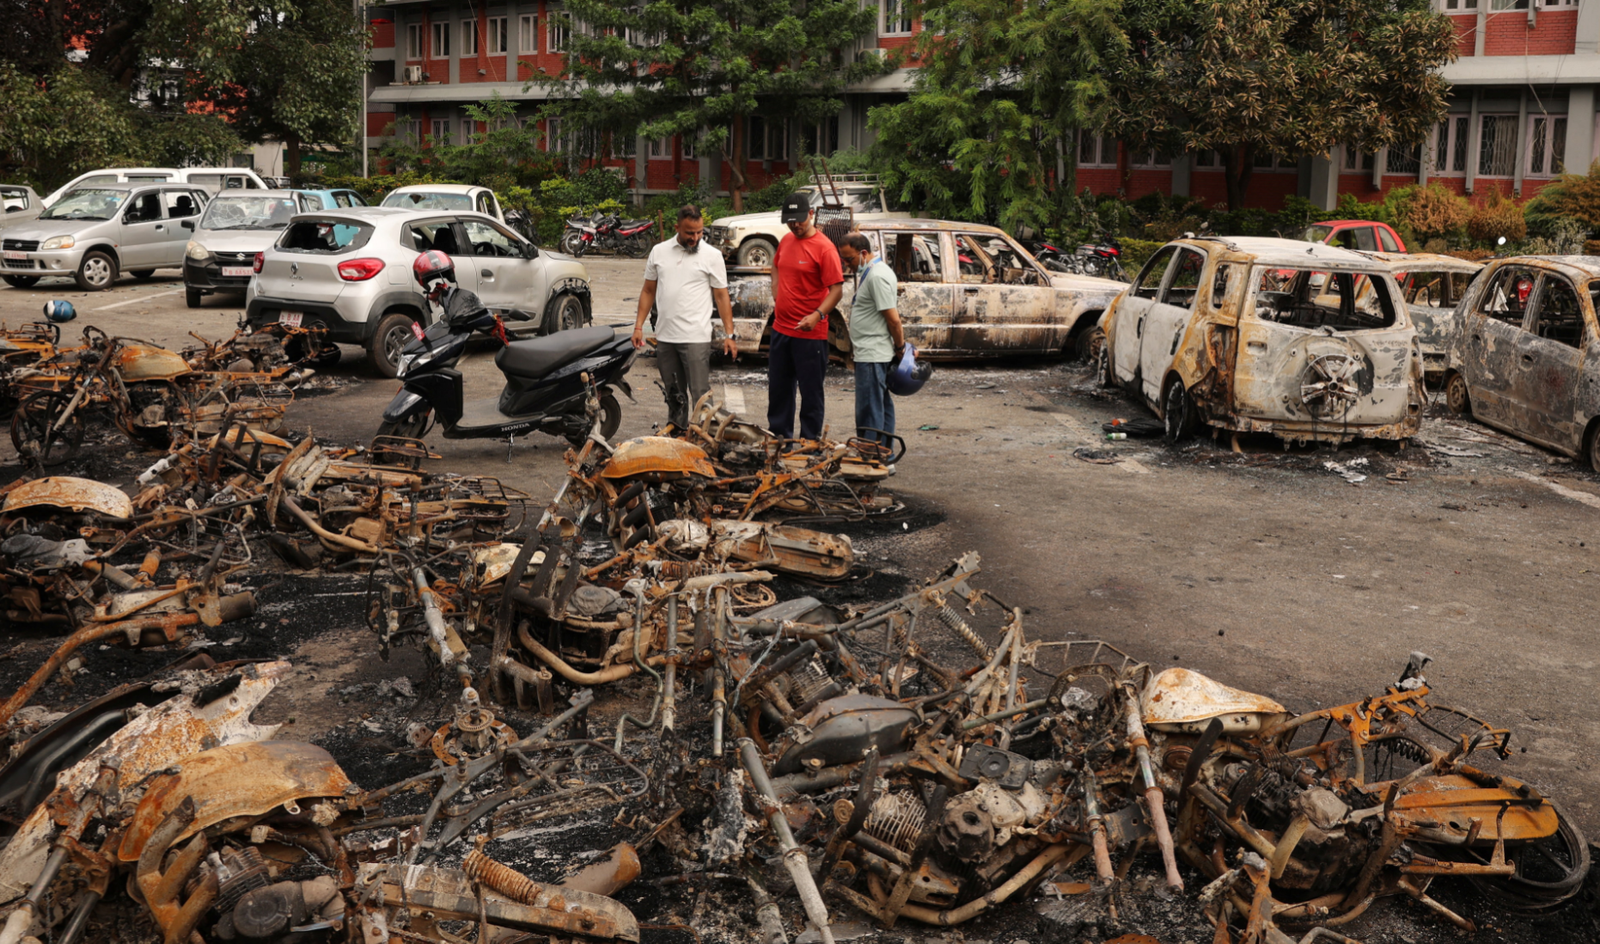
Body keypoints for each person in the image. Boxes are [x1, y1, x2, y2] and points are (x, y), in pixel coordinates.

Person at [632, 205, 739, 429]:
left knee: (700, 394)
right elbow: (648, 291)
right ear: (677, 227)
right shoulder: (659, 252)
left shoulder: (712, 256)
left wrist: (730, 334)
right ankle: (677, 434)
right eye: (690, 233)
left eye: (700, 232)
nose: (695, 237)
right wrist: (638, 326)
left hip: (695, 337)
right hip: (666, 336)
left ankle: (705, 439)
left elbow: (721, 296)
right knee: (674, 393)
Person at [768, 192, 843, 440]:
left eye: (799, 220)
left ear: (811, 214)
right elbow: (776, 266)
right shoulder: (786, 241)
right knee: (779, 389)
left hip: (810, 335)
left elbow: (836, 290)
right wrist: (776, 294)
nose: (795, 225)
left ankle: (810, 442)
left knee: (810, 392)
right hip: (781, 329)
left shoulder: (825, 248)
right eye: (790, 221)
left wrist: (818, 315)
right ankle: (782, 439)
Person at [838, 233, 905, 457]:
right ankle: (884, 455)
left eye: (849, 259)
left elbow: (893, 320)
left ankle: (870, 457)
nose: (846, 265)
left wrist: (900, 347)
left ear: (864, 253)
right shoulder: (871, 273)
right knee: (879, 405)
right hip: (870, 352)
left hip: (873, 353)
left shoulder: (877, 276)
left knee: (869, 408)